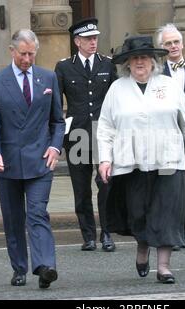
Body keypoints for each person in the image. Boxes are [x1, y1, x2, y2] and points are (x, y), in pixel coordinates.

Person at [97, 35, 185, 284]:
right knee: (138, 213)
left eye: (144, 57)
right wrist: (105, 160)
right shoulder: (117, 89)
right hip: (131, 163)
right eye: (135, 58)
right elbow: (105, 128)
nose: (140, 62)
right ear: (127, 63)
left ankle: (164, 267)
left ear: (153, 61)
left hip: (169, 161)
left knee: (166, 212)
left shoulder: (168, 85)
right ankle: (142, 247)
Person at [0, 29, 65, 289]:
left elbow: (58, 122)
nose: (27, 59)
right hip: (8, 161)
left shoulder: (48, 77)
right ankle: (19, 267)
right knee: (13, 217)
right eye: (23, 54)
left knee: (37, 213)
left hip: (40, 160)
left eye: (31, 54)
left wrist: (55, 148)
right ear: (12, 51)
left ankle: (45, 266)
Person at [55, 17, 117, 252]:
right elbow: (55, 103)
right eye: (89, 39)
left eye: (95, 38)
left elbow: (116, 99)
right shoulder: (64, 67)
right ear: (77, 41)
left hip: (103, 133)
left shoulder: (107, 64)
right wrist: (58, 135)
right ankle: (88, 235)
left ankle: (107, 233)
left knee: (106, 184)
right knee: (81, 189)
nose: (94, 42)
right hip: (78, 134)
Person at [157, 23, 185, 250]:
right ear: (162, 48)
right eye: (168, 43)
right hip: (166, 139)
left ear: (182, 44)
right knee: (169, 188)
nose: (173, 46)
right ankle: (171, 233)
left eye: (176, 42)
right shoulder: (157, 73)